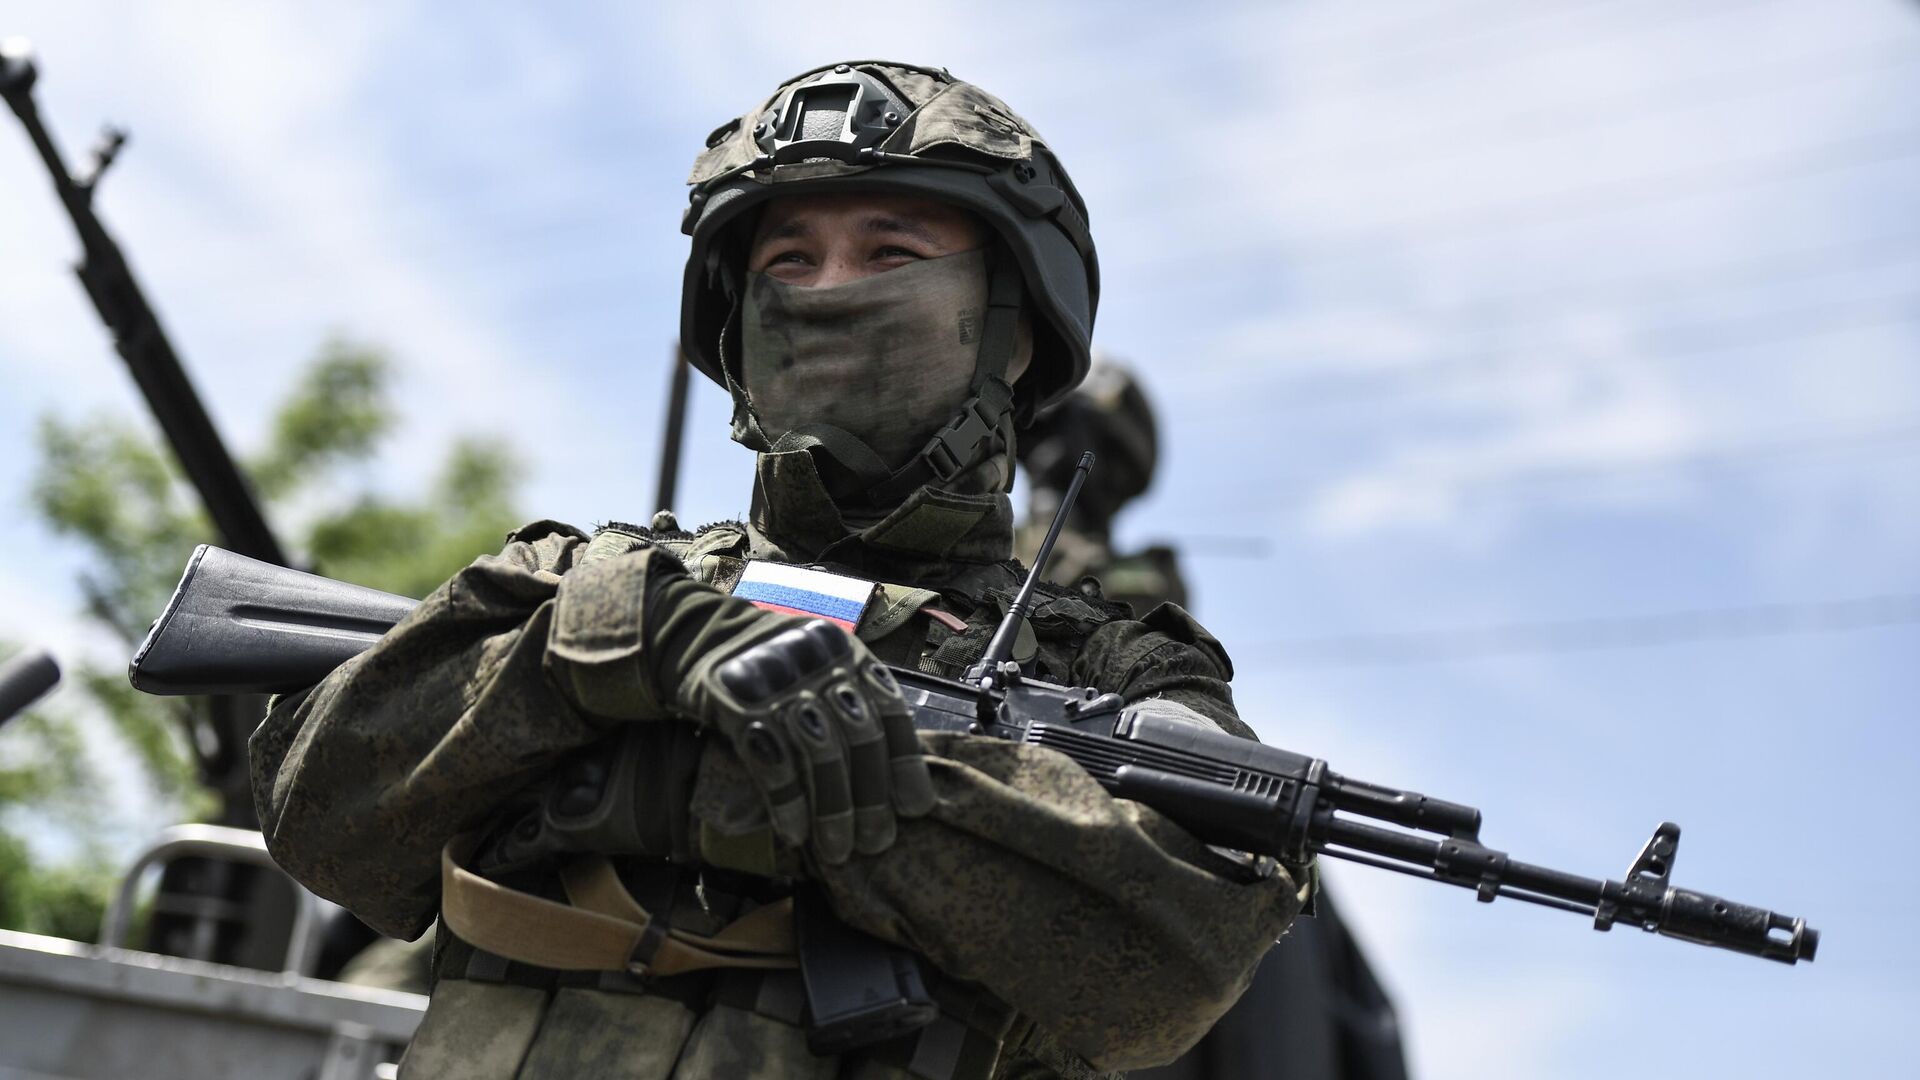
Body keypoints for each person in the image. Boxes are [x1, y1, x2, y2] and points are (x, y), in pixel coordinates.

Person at [251, 61, 1305, 1080]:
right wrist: (630, 647)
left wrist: (716, 773)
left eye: (890, 253)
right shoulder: (586, 582)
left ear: (1014, 328)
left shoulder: (1115, 674)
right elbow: (318, 809)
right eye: (790, 261)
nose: (831, 291)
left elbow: (1175, 963)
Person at [1017, 365, 1408, 1080]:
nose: (1050, 456)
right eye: (1039, 437)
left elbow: (1140, 657)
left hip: (1122, 768)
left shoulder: (1134, 576)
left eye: (1073, 441)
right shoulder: (973, 553)